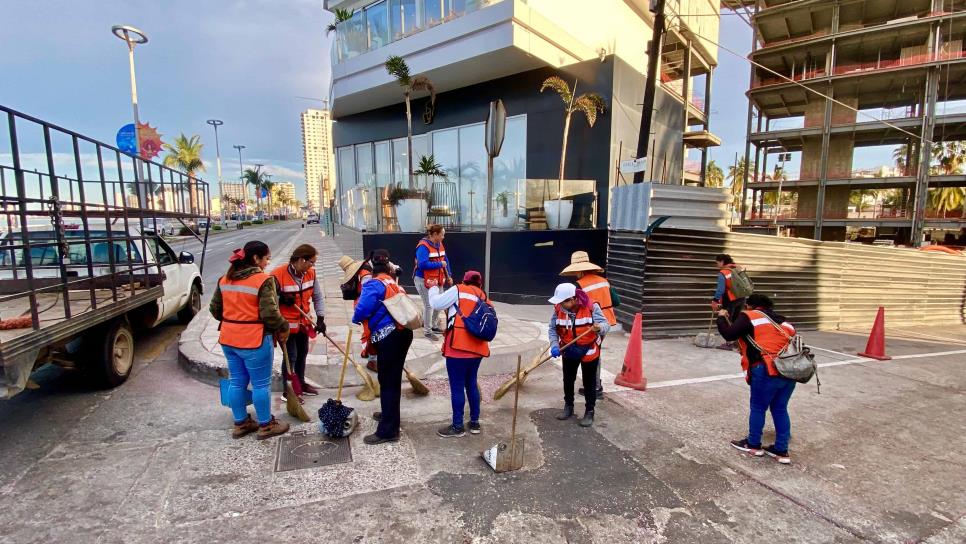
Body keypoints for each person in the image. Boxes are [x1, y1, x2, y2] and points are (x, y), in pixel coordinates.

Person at [210, 241, 290, 440]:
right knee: (261, 384)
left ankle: (241, 423)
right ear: (256, 259)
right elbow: (270, 314)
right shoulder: (263, 280)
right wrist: (283, 326)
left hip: (228, 339)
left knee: (237, 381)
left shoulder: (224, 279)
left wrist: (234, 319)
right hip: (254, 340)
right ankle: (266, 425)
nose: (267, 263)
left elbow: (214, 309)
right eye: (266, 258)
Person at [716, 293, 796, 465]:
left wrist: (721, 318)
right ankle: (781, 451)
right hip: (790, 372)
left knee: (758, 407)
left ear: (751, 306)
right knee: (780, 409)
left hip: (766, 369)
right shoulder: (786, 324)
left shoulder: (750, 316)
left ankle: (753, 444)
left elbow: (729, 334)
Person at [352, 249, 414, 445]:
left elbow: (360, 312)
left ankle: (388, 430)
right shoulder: (395, 285)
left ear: (372, 268)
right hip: (404, 334)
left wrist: (356, 315)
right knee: (392, 379)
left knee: (387, 381)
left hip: (389, 336)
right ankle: (389, 415)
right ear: (388, 266)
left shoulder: (373, 284)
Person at [427, 270, 491, 438]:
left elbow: (436, 304)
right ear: (480, 284)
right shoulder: (483, 295)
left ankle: (457, 427)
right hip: (478, 349)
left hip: (458, 348)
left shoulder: (459, 289)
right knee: (471, 384)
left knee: (457, 387)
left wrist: (433, 288)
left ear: (464, 280)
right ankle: (475, 423)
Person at [548, 283, 610, 427]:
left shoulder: (591, 307)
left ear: (574, 299)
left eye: (564, 301)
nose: (561, 305)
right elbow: (552, 329)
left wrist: (599, 327)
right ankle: (568, 406)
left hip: (589, 350)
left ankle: (589, 411)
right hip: (568, 349)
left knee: (589, 383)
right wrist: (555, 345)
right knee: (568, 380)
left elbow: (606, 325)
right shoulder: (558, 310)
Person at [560, 250, 617, 400]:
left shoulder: (579, 285)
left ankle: (594, 387)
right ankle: (596, 384)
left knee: (591, 352)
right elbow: (616, 301)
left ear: (579, 270)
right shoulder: (604, 280)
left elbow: (577, 306)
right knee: (596, 351)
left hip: (591, 324)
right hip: (607, 321)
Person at [272, 244, 326, 399]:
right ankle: (288, 392)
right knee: (291, 356)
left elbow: (317, 296)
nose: (312, 265)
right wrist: (280, 298)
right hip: (285, 326)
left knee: (302, 353)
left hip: (303, 323)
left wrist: (321, 318)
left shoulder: (311, 274)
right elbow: (267, 300)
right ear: (302, 260)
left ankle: (301, 384)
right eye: (311, 262)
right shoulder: (277, 275)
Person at [413, 224, 453, 340]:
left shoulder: (439, 244)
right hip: (423, 280)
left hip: (437, 279)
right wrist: (440, 264)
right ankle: (427, 330)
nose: (443, 237)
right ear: (435, 234)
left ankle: (434, 325)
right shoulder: (423, 246)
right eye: (442, 235)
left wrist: (448, 275)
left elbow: (445, 260)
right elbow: (422, 265)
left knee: (439, 303)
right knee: (429, 305)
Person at [339, 254, 376, 370]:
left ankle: (367, 351)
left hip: (360, 303)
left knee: (367, 328)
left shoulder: (362, 271)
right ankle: (369, 355)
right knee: (368, 330)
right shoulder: (365, 272)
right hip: (364, 304)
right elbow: (367, 293)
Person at [711, 253, 745, 350]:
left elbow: (720, 290)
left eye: (717, 262)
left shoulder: (723, 272)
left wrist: (715, 301)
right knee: (735, 320)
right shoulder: (738, 268)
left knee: (726, 320)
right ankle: (737, 342)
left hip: (730, 300)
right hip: (741, 298)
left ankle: (729, 343)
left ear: (722, 262)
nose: (717, 265)